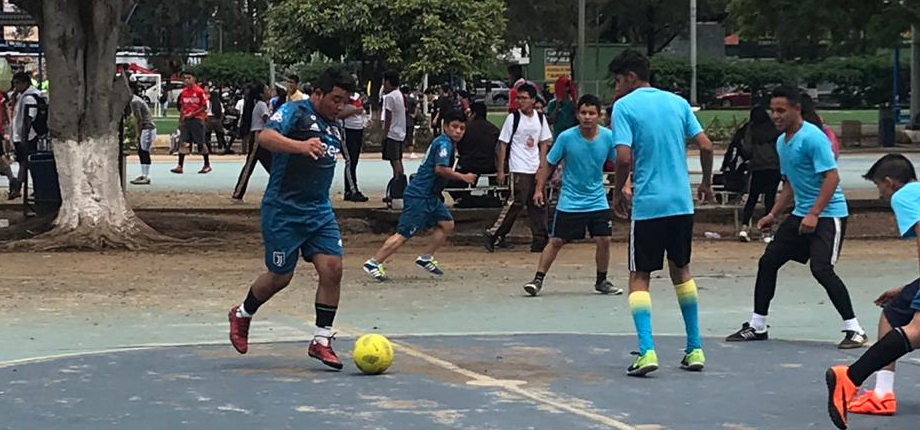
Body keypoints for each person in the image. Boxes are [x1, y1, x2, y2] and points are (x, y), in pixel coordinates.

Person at [227, 67, 354, 370]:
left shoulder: (335, 123)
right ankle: (242, 314)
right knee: (281, 276)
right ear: (318, 94)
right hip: (283, 209)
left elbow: (349, 111)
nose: (339, 106)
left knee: (333, 268)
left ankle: (321, 339)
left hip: (319, 210)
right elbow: (267, 137)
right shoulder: (295, 111)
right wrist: (301, 146)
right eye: (335, 99)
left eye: (343, 101)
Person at [725, 87, 868, 349]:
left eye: (781, 110)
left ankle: (855, 330)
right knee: (768, 262)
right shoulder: (782, 142)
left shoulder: (813, 138)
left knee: (821, 269)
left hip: (828, 215)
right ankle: (757, 325)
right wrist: (772, 213)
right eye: (773, 110)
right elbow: (790, 183)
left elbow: (831, 177)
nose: (775, 116)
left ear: (796, 109)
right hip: (801, 215)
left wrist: (814, 213)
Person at [609, 49, 715, 376]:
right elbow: (707, 145)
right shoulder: (678, 103)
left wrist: (618, 191)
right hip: (681, 203)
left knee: (640, 276)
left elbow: (624, 157)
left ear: (629, 77)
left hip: (650, 205)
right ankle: (695, 348)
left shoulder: (624, 107)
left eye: (617, 80)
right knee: (681, 270)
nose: (615, 87)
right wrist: (707, 183)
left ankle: (647, 351)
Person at [826, 154, 920, 429]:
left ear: (890, 183)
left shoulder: (903, 196)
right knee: (893, 314)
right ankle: (880, 393)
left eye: (879, 187)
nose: (880, 195)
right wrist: (909, 289)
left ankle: (851, 378)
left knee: (915, 330)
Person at [522, 94, 624, 297]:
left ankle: (602, 280)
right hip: (570, 200)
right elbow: (549, 163)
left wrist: (626, 187)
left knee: (604, 239)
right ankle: (538, 280)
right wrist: (539, 188)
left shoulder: (608, 137)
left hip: (597, 199)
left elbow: (622, 164)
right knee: (557, 240)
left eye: (592, 113)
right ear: (577, 115)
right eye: (583, 113)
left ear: (599, 115)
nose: (587, 117)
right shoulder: (566, 137)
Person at [362, 110, 477, 281]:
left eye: (462, 128)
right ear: (446, 127)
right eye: (454, 127)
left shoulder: (446, 143)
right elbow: (441, 169)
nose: (458, 131)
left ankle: (426, 257)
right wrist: (463, 177)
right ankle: (374, 262)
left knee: (447, 224)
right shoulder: (444, 144)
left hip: (431, 196)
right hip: (420, 195)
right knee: (404, 233)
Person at [485, 83, 552, 253]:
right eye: (519, 98)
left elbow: (544, 144)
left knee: (538, 203)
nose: (521, 101)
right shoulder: (513, 119)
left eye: (524, 98)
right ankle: (495, 233)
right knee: (516, 201)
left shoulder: (540, 119)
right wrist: (501, 169)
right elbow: (503, 145)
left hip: (534, 165)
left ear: (533, 100)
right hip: (518, 166)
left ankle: (540, 238)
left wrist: (542, 166)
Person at [738, 105, 781, 242]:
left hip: (757, 167)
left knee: (752, 198)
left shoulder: (751, 129)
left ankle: (745, 228)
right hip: (774, 167)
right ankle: (767, 231)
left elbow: (747, 149)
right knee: (770, 198)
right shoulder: (774, 129)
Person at [232, 84, 272, 201]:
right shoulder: (262, 105)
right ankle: (238, 191)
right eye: (267, 90)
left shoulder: (260, 104)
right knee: (250, 164)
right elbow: (266, 119)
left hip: (261, 136)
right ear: (261, 94)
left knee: (271, 165)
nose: (269, 92)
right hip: (258, 136)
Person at [10, 71, 42, 199]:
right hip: (20, 135)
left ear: (25, 83)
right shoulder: (22, 96)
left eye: (18, 83)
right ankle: (22, 187)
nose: (16, 86)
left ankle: (20, 187)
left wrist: (24, 135)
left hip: (27, 136)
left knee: (26, 162)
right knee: (24, 163)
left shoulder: (29, 97)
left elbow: (29, 117)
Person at [171, 71, 211, 174]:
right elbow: (183, 107)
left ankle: (207, 165)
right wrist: (180, 120)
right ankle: (180, 166)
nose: (186, 80)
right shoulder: (184, 92)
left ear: (194, 79)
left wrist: (193, 114)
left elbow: (204, 106)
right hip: (186, 120)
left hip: (196, 119)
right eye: (185, 78)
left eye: (189, 78)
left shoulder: (199, 91)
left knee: (201, 143)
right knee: (183, 142)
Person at [339, 91, 368, 202]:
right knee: (349, 161)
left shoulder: (356, 96)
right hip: (347, 130)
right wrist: (355, 111)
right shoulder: (343, 98)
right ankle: (352, 190)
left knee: (354, 161)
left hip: (357, 130)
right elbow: (339, 114)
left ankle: (349, 190)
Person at [129, 82, 157, 185]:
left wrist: (138, 133)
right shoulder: (135, 100)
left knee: (144, 151)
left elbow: (139, 119)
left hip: (147, 128)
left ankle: (146, 176)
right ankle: (144, 174)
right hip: (145, 128)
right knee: (141, 151)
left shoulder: (135, 101)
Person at [381, 71, 407, 179]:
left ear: (388, 82)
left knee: (394, 160)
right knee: (398, 159)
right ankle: (400, 181)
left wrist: (385, 133)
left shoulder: (389, 97)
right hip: (400, 132)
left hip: (392, 133)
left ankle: (397, 182)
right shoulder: (399, 94)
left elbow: (388, 116)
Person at [546, 76, 578, 141]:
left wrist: (575, 105)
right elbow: (550, 121)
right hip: (558, 136)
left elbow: (579, 118)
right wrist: (557, 107)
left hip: (572, 135)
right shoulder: (553, 103)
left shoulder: (573, 103)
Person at [205, 85, 226, 153]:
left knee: (207, 135)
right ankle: (221, 147)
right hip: (217, 119)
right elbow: (222, 112)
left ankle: (208, 149)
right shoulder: (219, 103)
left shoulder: (208, 102)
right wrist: (220, 120)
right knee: (219, 134)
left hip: (209, 119)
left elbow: (205, 111)